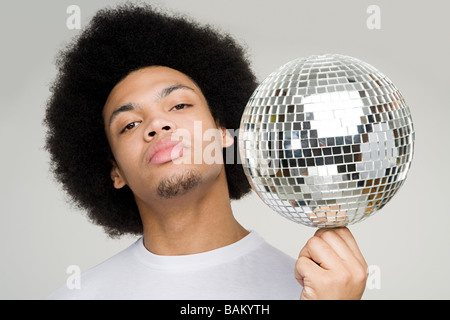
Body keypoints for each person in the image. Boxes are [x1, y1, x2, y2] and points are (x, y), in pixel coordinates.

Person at [45, 3, 367, 300]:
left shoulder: (317, 288)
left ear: (223, 133)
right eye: (129, 124)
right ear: (115, 171)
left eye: (179, 104)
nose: (156, 124)